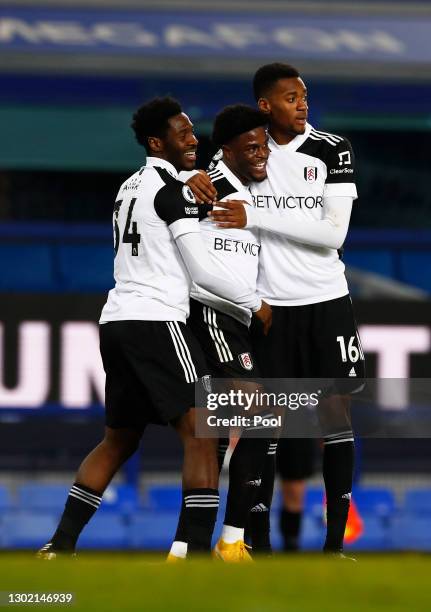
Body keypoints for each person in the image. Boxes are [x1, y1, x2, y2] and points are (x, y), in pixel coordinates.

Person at [37, 96, 265, 559]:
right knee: (203, 430)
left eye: (192, 132)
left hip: (117, 319)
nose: (192, 140)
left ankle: (59, 546)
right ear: (157, 142)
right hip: (157, 317)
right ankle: (194, 550)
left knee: (118, 439)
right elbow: (206, 251)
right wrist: (254, 301)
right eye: (183, 134)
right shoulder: (173, 189)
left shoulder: (128, 187)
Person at [210, 63, 365, 557]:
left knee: (335, 419)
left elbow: (333, 234)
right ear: (265, 105)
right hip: (270, 311)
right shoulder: (242, 155)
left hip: (326, 302)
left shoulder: (331, 150)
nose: (302, 103)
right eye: (291, 97)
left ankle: (334, 547)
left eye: (304, 96)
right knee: (261, 426)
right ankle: (251, 544)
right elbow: (203, 187)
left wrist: (255, 214)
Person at [170, 104, 277, 562]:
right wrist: (253, 302)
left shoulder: (245, 190)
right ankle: (232, 541)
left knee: (212, 438)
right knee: (261, 418)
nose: (261, 155)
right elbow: (200, 268)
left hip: (233, 321)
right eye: (251, 148)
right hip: (214, 317)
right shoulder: (207, 189)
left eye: (264, 147)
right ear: (226, 149)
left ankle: (183, 549)